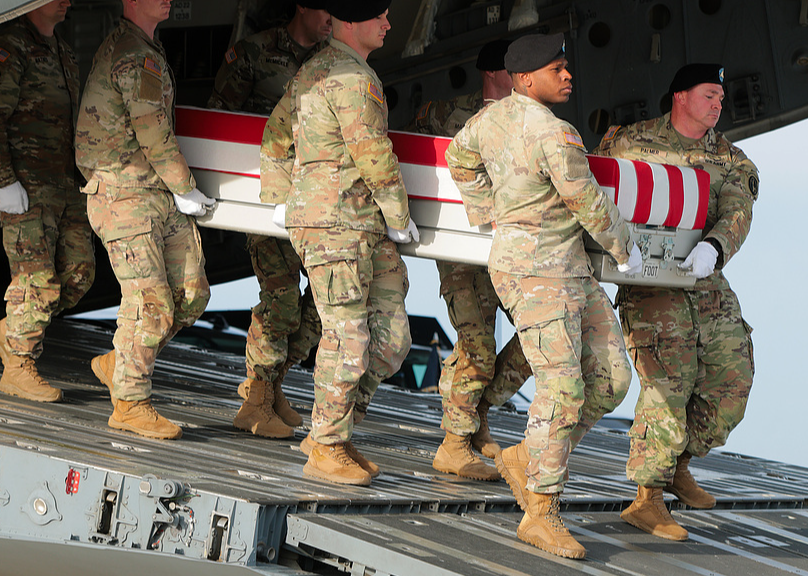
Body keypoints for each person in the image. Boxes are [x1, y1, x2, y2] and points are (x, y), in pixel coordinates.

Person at [445, 33, 642, 559]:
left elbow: (459, 158)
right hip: (537, 272)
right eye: (558, 68)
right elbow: (587, 199)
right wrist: (625, 249)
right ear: (526, 79)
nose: (568, 75)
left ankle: (527, 457)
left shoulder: (489, 120)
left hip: (566, 268)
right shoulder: (555, 134)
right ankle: (541, 510)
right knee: (562, 388)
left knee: (614, 377)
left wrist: (483, 207)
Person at [597, 63, 758, 541]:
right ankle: (648, 498)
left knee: (733, 383)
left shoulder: (731, 159)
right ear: (680, 97)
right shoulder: (628, 142)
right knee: (670, 378)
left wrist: (716, 246)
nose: (718, 104)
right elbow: (591, 185)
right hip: (649, 280)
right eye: (710, 94)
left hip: (704, 279)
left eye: (722, 98)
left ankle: (676, 464)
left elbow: (738, 209)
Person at [261, 0, 414, 487]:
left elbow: (276, 135)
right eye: (380, 16)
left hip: (358, 224)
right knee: (348, 338)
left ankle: (336, 431)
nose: (389, 24)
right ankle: (325, 445)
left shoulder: (320, 70)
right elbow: (374, 156)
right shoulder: (350, 77)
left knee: (391, 342)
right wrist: (399, 215)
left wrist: (286, 198)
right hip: (338, 226)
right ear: (352, 22)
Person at [76, 0, 215, 440]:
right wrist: (184, 185)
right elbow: (153, 130)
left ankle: (121, 362)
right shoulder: (134, 54)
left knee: (191, 295)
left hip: (152, 192)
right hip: (124, 195)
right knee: (151, 306)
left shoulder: (144, 46)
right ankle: (131, 403)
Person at [406, 39, 532, 482]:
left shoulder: (529, 121)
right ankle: (455, 443)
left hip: (508, 251)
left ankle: (475, 414)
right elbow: (415, 157)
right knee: (477, 343)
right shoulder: (444, 115)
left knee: (538, 339)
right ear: (497, 73)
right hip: (461, 252)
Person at [206, 1, 331, 439]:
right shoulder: (255, 53)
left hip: (315, 197)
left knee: (321, 301)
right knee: (280, 297)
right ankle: (255, 400)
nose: (331, 19)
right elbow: (219, 115)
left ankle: (273, 383)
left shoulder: (331, 60)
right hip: (263, 194)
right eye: (325, 9)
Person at [0, 0, 95, 403]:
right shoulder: (9, 49)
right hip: (24, 187)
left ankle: (9, 331)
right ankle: (18, 366)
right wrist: (4, 181)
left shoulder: (63, 52)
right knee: (37, 282)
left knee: (78, 275)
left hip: (64, 185)